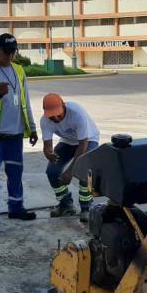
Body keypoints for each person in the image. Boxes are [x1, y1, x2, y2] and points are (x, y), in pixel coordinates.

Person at [0, 33, 39, 233]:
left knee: (15, 174)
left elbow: (25, 100)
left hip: (16, 134)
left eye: (13, 52)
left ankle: (16, 208)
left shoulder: (19, 70)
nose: (10, 56)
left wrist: (33, 127)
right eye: (6, 52)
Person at [41, 93, 100, 223]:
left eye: (59, 114)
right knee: (52, 172)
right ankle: (66, 204)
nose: (56, 118)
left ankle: (86, 206)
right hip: (68, 142)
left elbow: (83, 146)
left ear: (63, 106)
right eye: (51, 116)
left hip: (89, 140)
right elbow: (47, 145)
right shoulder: (44, 121)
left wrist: (70, 172)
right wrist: (48, 153)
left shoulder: (77, 113)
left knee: (86, 170)